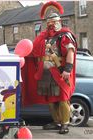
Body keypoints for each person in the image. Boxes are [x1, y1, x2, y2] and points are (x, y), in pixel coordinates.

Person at [32, 1, 77, 134]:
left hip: (60, 71)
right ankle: (56, 121)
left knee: (63, 98)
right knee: (51, 99)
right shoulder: (43, 37)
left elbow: (70, 52)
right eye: (49, 23)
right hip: (46, 72)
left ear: (59, 21)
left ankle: (65, 123)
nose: (51, 25)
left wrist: (68, 69)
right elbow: (34, 50)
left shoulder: (65, 35)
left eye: (53, 22)